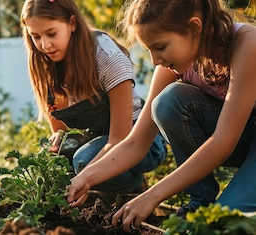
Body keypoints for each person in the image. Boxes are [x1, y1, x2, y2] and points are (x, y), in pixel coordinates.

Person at [65, 0, 256, 232]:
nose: (155, 60)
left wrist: (153, 195)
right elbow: (136, 142)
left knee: (225, 224)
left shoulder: (247, 44)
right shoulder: (174, 62)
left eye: (160, 47)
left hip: (233, 138)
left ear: (195, 27)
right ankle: (199, 203)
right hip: (243, 136)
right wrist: (85, 178)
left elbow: (223, 142)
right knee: (167, 101)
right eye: (149, 50)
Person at [19, 0, 167, 201]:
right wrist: (58, 142)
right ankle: (103, 194)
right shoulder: (45, 64)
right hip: (97, 139)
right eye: (35, 36)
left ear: (72, 24)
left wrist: (84, 177)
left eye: (51, 33)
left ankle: (132, 187)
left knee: (83, 161)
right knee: (56, 161)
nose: (45, 45)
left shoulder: (107, 58)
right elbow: (61, 131)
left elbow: (119, 139)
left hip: (141, 142)